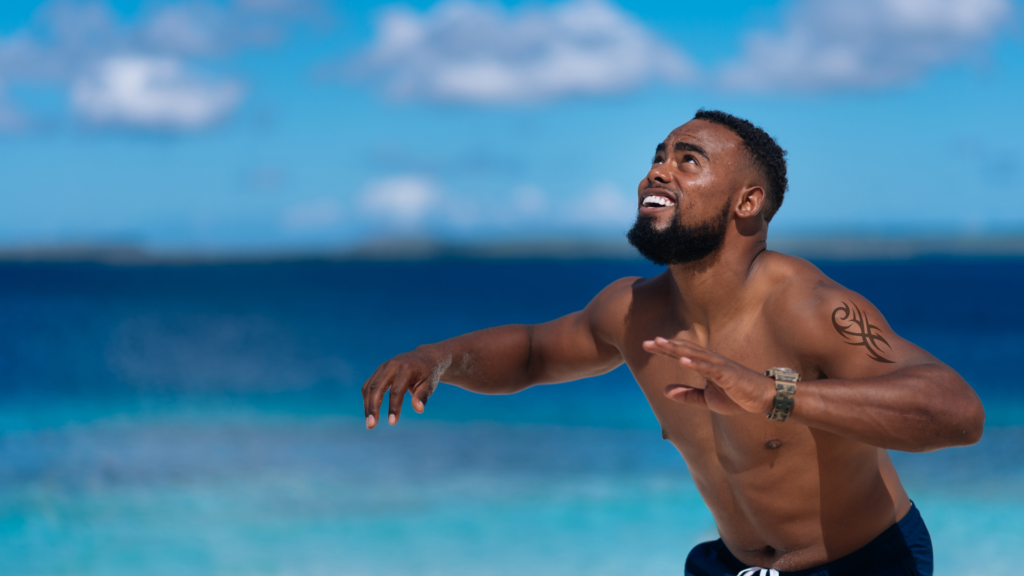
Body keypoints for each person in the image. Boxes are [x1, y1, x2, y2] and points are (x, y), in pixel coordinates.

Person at [360, 109, 984, 576]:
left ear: (748, 202)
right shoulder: (633, 310)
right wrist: (435, 359)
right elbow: (533, 352)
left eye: (689, 160)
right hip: (731, 564)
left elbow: (956, 412)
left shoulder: (809, 308)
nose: (658, 169)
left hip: (863, 563)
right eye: (659, 155)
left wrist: (776, 396)